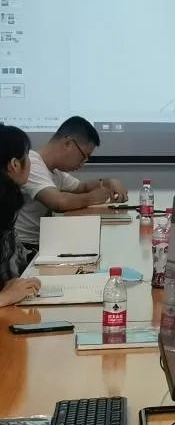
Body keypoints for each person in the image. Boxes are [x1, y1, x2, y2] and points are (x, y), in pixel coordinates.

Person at [15, 116, 128, 252]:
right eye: (84, 156)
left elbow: (82, 187)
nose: (82, 164)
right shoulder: (31, 164)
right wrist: (93, 197)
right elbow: (59, 202)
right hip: (24, 248)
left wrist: (109, 182)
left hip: (42, 243)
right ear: (68, 143)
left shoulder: (55, 171)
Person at [0, 124, 41, 307]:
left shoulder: (8, 200)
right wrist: (4, 297)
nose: (31, 163)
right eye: (28, 156)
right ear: (14, 164)